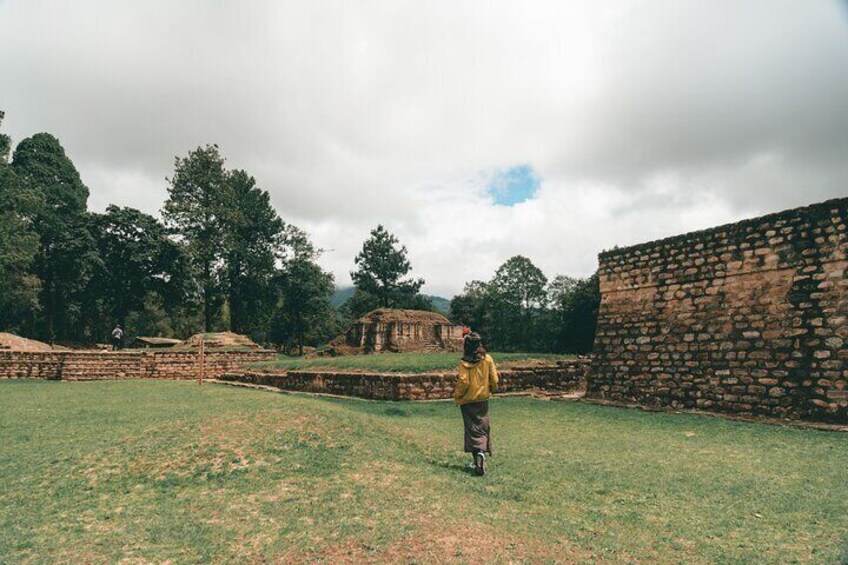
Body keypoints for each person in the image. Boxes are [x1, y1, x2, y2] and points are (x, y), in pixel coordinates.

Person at [453, 331, 498, 476]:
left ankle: (476, 456)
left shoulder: (464, 363)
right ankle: (481, 453)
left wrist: (458, 396)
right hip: (483, 400)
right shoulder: (488, 359)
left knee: (472, 430)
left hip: (468, 401)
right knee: (483, 428)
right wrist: (492, 389)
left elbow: (464, 382)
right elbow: (494, 379)